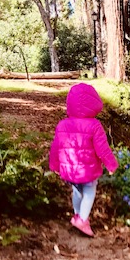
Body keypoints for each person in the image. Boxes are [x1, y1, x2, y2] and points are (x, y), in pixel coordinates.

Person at [49, 83, 118, 237]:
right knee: (89, 192)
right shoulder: (95, 126)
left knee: (76, 191)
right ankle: (82, 219)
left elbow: (55, 147)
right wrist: (111, 164)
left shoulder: (62, 125)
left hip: (70, 171)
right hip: (88, 171)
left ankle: (77, 216)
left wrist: (54, 164)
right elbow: (103, 149)